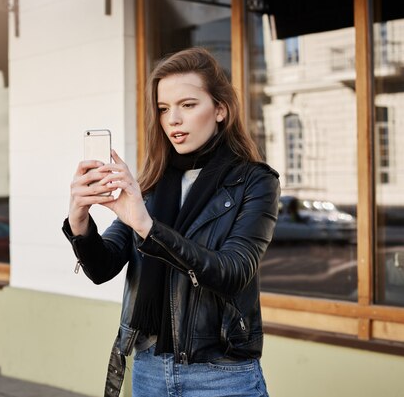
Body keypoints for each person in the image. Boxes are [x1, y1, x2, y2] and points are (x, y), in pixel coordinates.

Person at [62, 47, 280, 397]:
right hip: (149, 370)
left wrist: (149, 227)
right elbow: (103, 267)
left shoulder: (255, 182)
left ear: (220, 110)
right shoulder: (151, 184)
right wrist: (79, 219)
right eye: (164, 109)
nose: (173, 120)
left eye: (188, 105)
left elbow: (233, 271)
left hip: (220, 375)